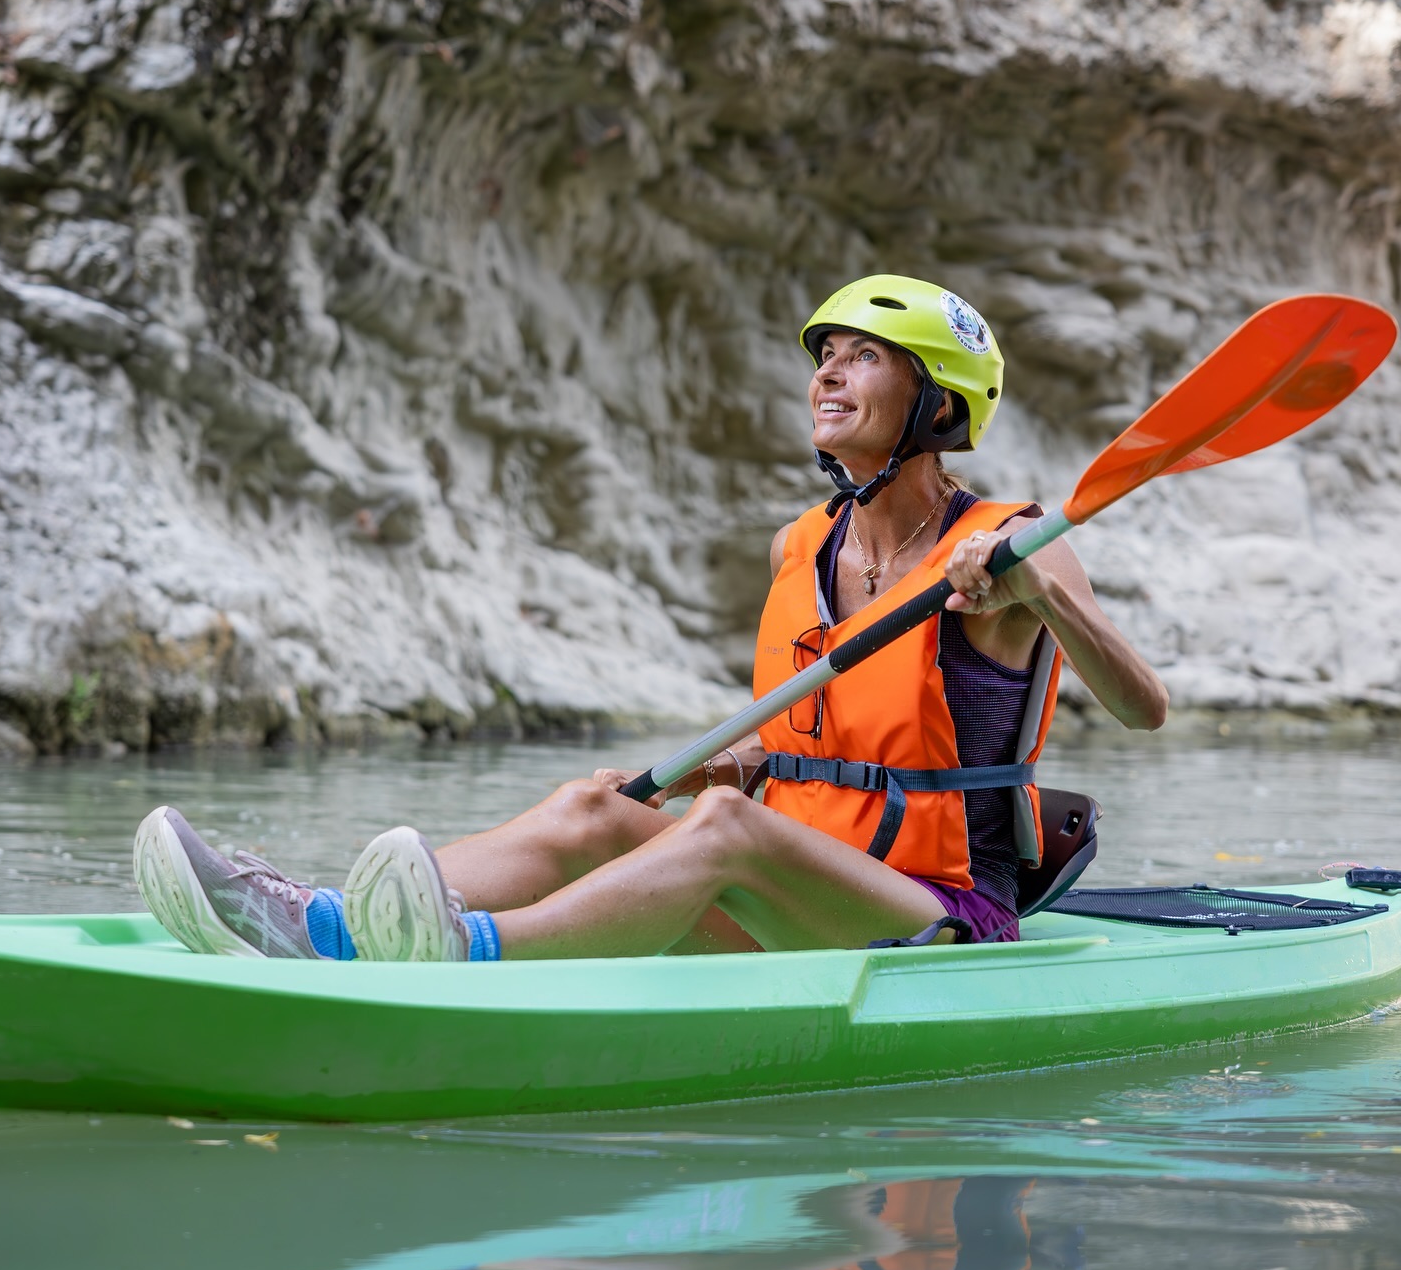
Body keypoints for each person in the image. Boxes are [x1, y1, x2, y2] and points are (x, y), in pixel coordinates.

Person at [133, 275, 1167, 964]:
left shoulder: (1016, 541)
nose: (827, 372)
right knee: (593, 803)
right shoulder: (798, 543)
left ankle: (473, 948)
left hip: (941, 917)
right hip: (797, 883)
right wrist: (759, 761)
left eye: (864, 355)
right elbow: (840, 729)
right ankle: (319, 927)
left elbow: (1144, 708)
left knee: (717, 830)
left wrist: (1044, 594)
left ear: (936, 401)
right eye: (825, 354)